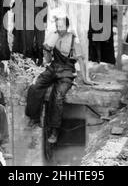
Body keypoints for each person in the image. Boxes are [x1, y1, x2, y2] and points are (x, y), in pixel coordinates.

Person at [25, 15, 94, 144]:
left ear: (67, 27)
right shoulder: (53, 36)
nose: (59, 29)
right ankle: (34, 117)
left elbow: (81, 60)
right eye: (57, 26)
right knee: (35, 85)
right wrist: (46, 50)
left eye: (61, 26)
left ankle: (54, 130)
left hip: (67, 71)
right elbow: (49, 60)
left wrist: (85, 78)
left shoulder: (74, 40)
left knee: (57, 96)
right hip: (53, 68)